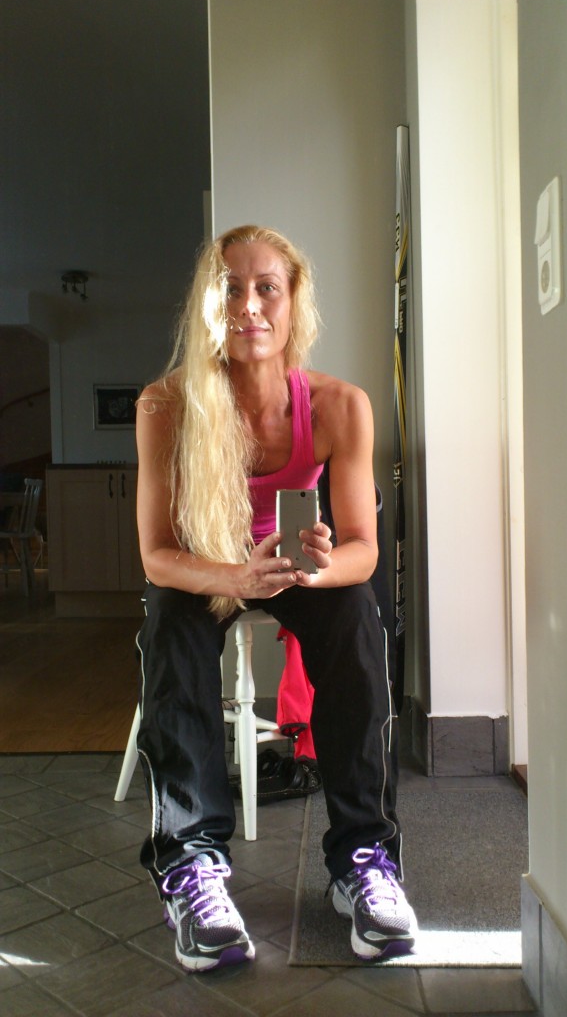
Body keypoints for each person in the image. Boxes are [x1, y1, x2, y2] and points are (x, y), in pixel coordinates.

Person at [134, 223, 417, 973]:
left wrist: (313, 571)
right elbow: (157, 555)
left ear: (294, 305)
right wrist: (232, 577)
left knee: (357, 618)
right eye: (230, 288)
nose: (249, 304)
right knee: (168, 625)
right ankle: (191, 865)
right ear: (207, 305)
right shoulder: (165, 406)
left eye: (267, 288)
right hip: (206, 566)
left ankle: (364, 859)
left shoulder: (338, 405)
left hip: (290, 565)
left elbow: (363, 548)